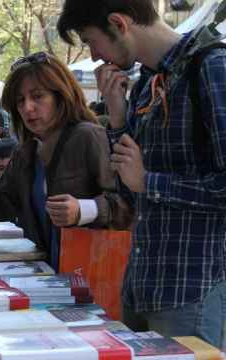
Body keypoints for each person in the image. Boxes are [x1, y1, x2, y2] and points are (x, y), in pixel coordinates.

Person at [58, 0, 226, 348]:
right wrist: (118, 120)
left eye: (91, 41)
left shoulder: (212, 67)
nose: (93, 56)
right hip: (140, 286)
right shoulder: (147, 82)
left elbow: (144, 183)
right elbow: (130, 192)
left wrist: (149, 181)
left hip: (190, 290)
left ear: (119, 23)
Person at [0, 52, 133, 271]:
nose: (28, 107)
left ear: (62, 96)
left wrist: (85, 210)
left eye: (37, 96)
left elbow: (129, 204)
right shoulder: (28, 150)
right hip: (50, 277)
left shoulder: (88, 136)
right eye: (20, 100)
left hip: (91, 274)